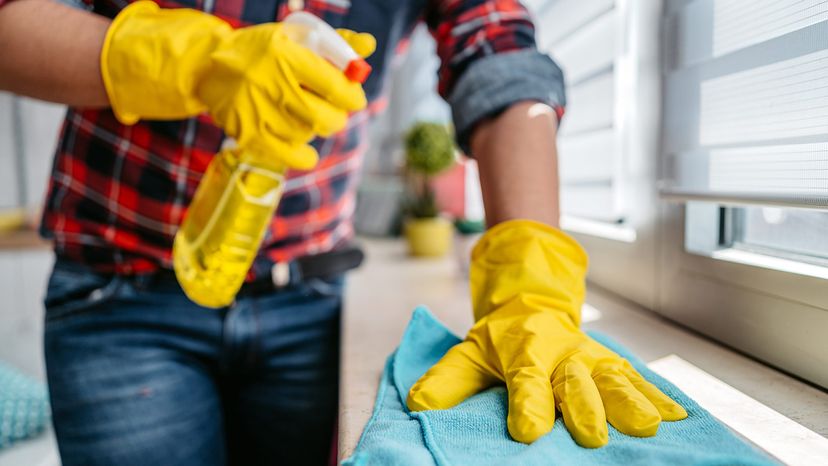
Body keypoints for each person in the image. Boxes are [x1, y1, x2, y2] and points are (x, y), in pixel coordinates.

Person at [0, 0, 687, 464]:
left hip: (309, 303)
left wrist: (533, 287)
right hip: (118, 301)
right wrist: (192, 63)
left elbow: (500, 57)